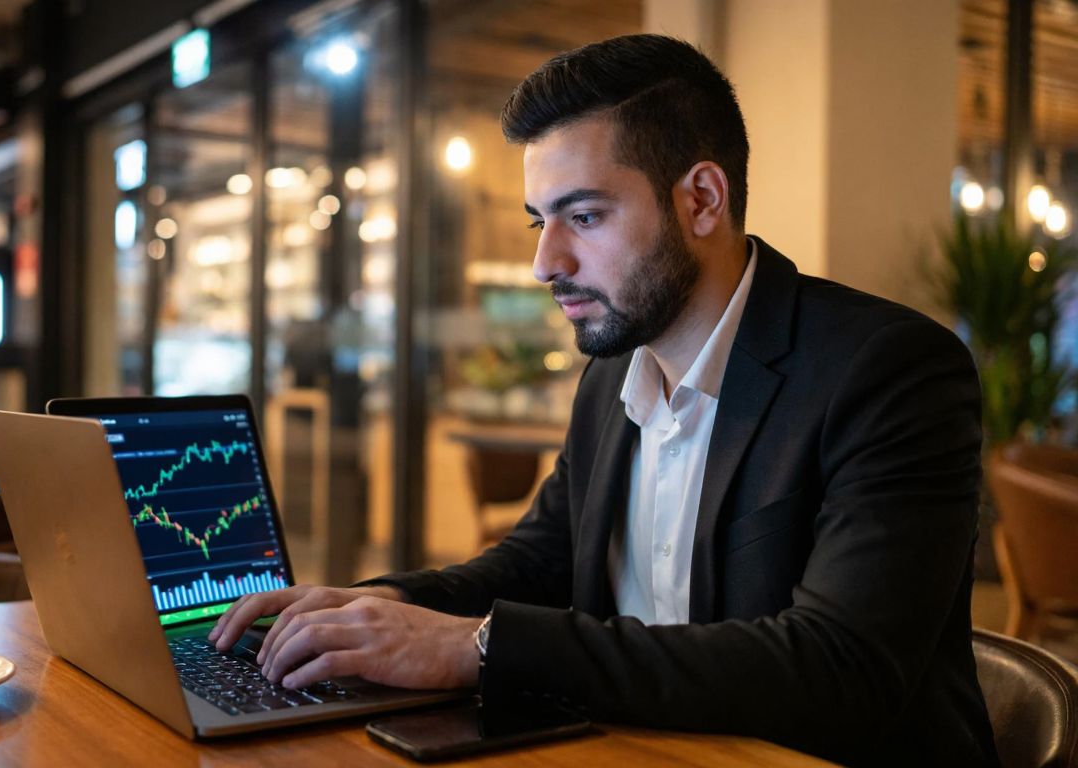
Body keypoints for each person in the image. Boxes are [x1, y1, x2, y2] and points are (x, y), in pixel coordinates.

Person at [209, 34, 999, 766]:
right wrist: (371, 607)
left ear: (701, 201)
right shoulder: (612, 374)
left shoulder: (889, 371)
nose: (545, 262)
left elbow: (840, 672)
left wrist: (477, 648)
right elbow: (542, 563)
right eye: (539, 221)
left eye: (583, 216)